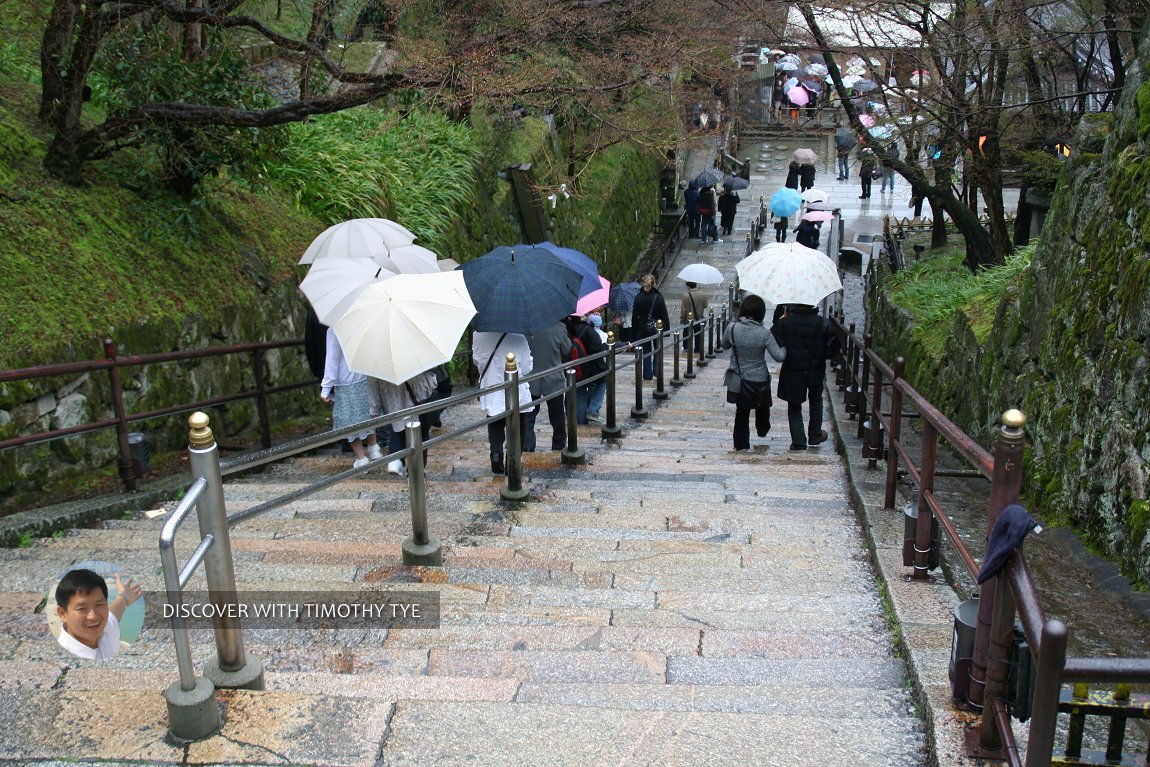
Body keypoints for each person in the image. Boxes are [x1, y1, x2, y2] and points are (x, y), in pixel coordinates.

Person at [771, 304, 840, 450]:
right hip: (815, 369)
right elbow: (832, 350)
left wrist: (780, 316)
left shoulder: (784, 323)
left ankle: (798, 441)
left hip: (792, 370)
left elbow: (774, 339)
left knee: (794, 404)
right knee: (816, 398)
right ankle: (815, 434)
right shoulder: (824, 323)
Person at [721, 294, 785, 451]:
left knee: (741, 412)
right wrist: (785, 346)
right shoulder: (765, 334)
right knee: (762, 405)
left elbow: (724, 346)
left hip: (739, 378)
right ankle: (762, 429)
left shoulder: (733, 328)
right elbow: (779, 356)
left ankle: (741, 445)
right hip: (759, 379)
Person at [473, 331, 537, 474]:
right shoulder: (518, 336)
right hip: (515, 388)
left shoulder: (478, 335)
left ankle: (496, 454)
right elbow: (527, 368)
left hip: (491, 386)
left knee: (494, 420)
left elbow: (477, 361)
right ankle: (512, 462)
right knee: (518, 424)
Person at [321, 328, 381, 468]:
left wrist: (325, 388)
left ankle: (361, 458)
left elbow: (332, 360)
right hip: (366, 374)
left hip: (346, 381)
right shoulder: (362, 321)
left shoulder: (335, 329)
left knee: (349, 419)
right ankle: (374, 448)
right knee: (368, 413)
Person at [55, 568, 141, 660]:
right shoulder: (64, 657)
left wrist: (124, 597)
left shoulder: (105, 627)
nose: (93, 616)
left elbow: (115, 611)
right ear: (62, 614)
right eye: (82, 609)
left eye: (99, 605)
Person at [366, 370, 437, 477]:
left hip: (393, 406)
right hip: (416, 403)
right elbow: (428, 383)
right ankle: (416, 471)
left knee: (397, 432)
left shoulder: (376, 366)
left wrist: (375, 411)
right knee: (421, 436)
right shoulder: (412, 357)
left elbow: (373, 390)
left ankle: (397, 461)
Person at [527, 321, 573, 450]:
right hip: (553, 378)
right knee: (557, 415)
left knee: (528, 415)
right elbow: (567, 348)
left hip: (531, 378)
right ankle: (558, 445)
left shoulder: (527, 328)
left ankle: (527, 445)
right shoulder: (559, 328)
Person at [566, 313, 608, 424]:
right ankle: (593, 411)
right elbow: (598, 348)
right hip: (591, 366)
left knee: (580, 392)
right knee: (601, 383)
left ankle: (580, 421)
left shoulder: (566, 331)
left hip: (573, 366)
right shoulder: (587, 330)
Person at [630, 274, 670, 380]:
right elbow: (664, 314)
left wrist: (634, 333)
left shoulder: (638, 298)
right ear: (654, 284)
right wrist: (667, 329)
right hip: (657, 326)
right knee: (657, 348)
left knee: (646, 350)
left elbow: (634, 317)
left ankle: (647, 374)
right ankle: (656, 370)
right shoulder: (659, 297)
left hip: (642, 327)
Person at [679, 281, 710, 355]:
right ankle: (697, 349)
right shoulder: (703, 294)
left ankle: (686, 348)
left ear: (688, 287)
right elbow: (705, 305)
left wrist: (682, 319)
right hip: (698, 318)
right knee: (698, 334)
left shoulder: (686, 296)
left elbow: (684, 310)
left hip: (688, 320)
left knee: (686, 333)